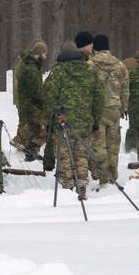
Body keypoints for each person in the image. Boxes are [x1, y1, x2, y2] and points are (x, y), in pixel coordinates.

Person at [43, 41, 104, 199]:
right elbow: (99, 98)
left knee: (65, 155)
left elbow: (49, 98)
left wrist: (48, 122)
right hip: (85, 123)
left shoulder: (58, 72)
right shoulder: (90, 71)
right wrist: (95, 120)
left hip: (63, 122)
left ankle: (67, 187)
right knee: (81, 155)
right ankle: (82, 185)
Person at [89, 34, 129, 185]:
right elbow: (125, 90)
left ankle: (103, 176)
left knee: (98, 144)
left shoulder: (90, 66)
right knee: (113, 144)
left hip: (97, 110)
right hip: (114, 109)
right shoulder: (120, 65)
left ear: (94, 49)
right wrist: (123, 107)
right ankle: (113, 174)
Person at [11, 39, 47, 161]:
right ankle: (22, 142)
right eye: (45, 54)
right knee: (46, 123)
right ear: (40, 53)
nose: (46, 57)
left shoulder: (30, 65)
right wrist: (46, 100)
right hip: (31, 103)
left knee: (33, 125)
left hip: (28, 102)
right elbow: (36, 91)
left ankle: (24, 143)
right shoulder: (32, 68)